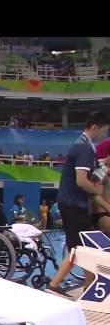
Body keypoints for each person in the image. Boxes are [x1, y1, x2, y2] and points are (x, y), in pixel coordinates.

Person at [46, 111, 110, 295]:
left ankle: (87, 287)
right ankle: (55, 285)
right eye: (105, 131)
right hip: (73, 204)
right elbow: (81, 181)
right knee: (81, 248)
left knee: (81, 247)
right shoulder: (83, 147)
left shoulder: (85, 147)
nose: (104, 135)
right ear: (95, 127)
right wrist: (96, 189)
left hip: (75, 204)